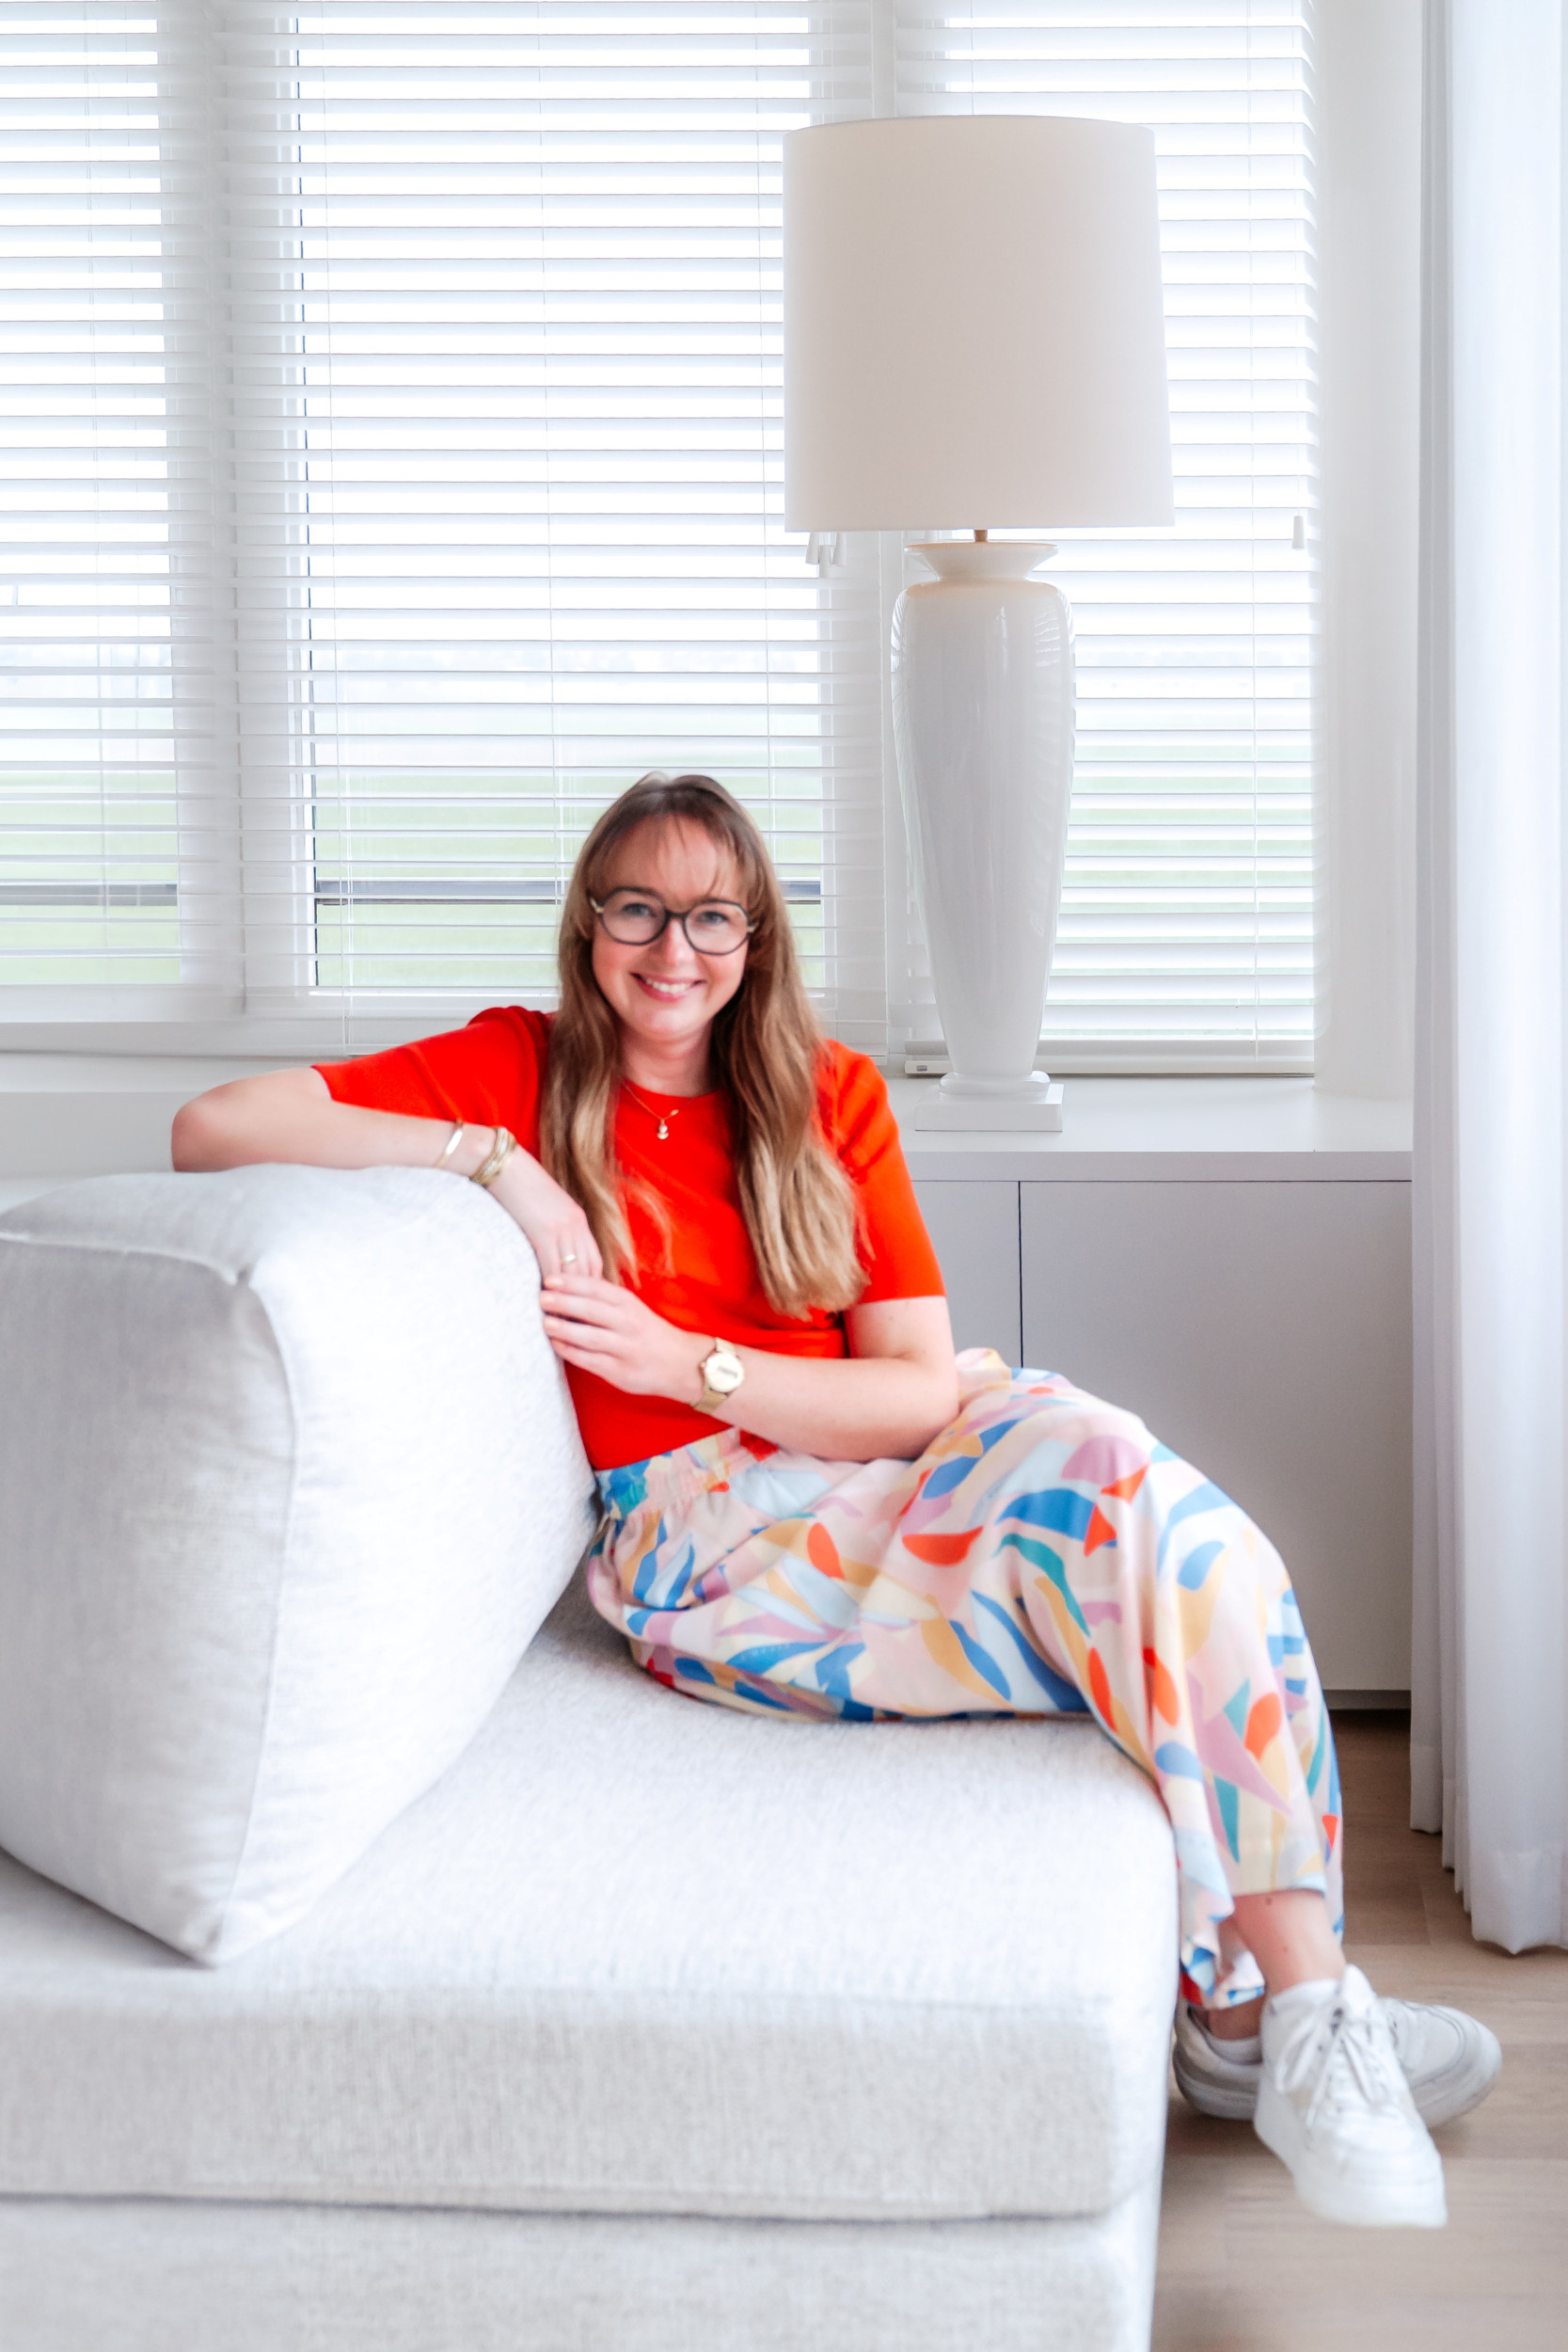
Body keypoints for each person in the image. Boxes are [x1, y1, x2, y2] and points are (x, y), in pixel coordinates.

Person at [174, 769, 1499, 2230]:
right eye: (637, 908)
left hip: (894, 1460)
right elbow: (215, 1124)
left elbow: (919, 1391)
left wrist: (686, 1362)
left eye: (712, 917)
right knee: (1131, 1584)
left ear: (756, 939)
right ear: (588, 922)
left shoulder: (829, 1094)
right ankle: (1269, 2018)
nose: (673, 948)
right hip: (718, 1538)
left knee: (1146, 1498)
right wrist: (492, 1159)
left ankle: (1290, 2018)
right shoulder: (520, 1071)